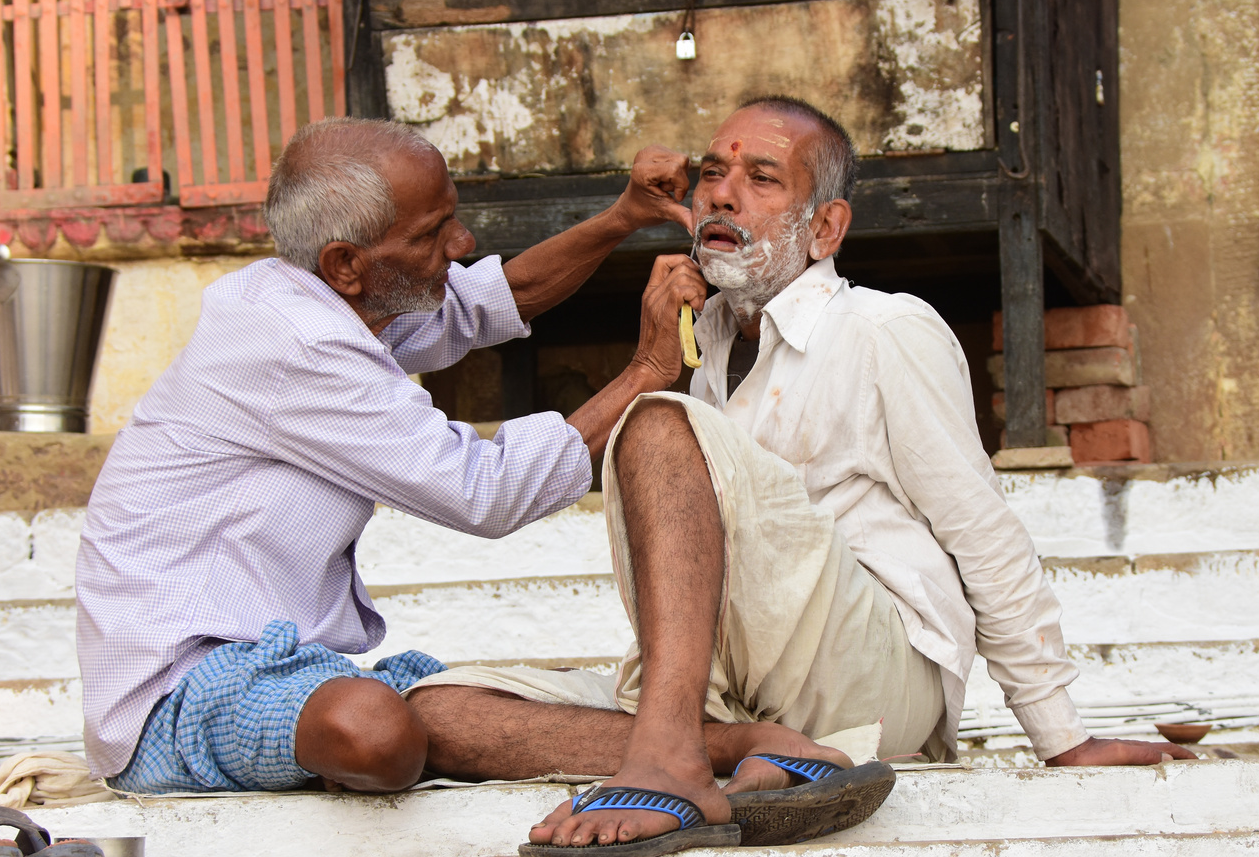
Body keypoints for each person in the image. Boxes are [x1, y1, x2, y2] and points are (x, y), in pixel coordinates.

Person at [432, 96, 1196, 857]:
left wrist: (1060, 735)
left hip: (874, 678)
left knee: (658, 424)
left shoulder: (884, 330)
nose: (722, 194)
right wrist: (656, 364)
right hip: (738, 689)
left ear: (825, 228)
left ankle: (672, 757)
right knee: (434, 712)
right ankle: (743, 750)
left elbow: (982, 531)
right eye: (711, 175)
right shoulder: (703, 347)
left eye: (762, 178)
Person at [74, 117, 769, 794]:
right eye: (433, 233)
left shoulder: (322, 297)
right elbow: (485, 492)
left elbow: (493, 301)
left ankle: (726, 750)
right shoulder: (301, 344)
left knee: (450, 708)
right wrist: (646, 371)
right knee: (377, 729)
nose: (462, 242)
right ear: (346, 264)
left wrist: (621, 217)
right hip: (175, 693)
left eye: (452, 218)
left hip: (290, 666)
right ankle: (718, 749)